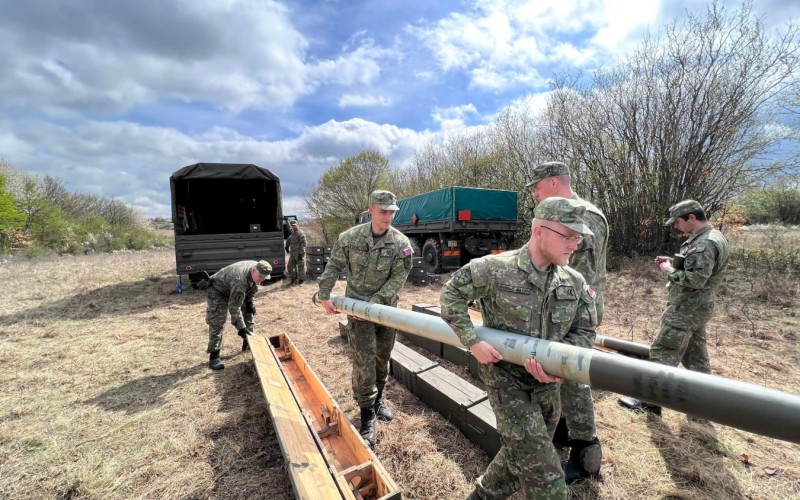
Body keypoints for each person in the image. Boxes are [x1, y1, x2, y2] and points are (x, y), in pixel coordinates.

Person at [441, 197, 597, 500]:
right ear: (539, 231)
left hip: (549, 387)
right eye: (568, 236)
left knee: (519, 456)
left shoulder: (574, 282)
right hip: (507, 383)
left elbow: (585, 328)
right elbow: (451, 296)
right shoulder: (494, 269)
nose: (574, 245)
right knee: (546, 475)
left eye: (578, 238)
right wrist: (472, 341)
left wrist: (560, 364)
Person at [525, 161, 607, 483]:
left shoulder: (583, 215)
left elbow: (575, 270)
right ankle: (562, 431)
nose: (534, 192)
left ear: (555, 183)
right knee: (556, 372)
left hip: (574, 310)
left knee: (573, 377)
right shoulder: (571, 210)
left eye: (537, 186)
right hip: (559, 305)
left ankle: (587, 452)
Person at [317, 190, 413, 447]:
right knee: (363, 363)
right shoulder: (349, 238)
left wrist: (378, 302)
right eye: (384, 211)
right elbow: (334, 265)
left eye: (392, 211)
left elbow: (398, 278)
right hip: (358, 312)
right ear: (371, 209)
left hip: (386, 312)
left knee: (382, 359)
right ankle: (367, 416)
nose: (389, 216)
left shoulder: (401, 243)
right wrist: (324, 293)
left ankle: (378, 400)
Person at [619, 200, 729, 415]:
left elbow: (695, 280)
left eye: (678, 222)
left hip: (685, 309)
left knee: (663, 351)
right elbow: (702, 271)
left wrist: (667, 269)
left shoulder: (705, 243)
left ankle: (650, 402)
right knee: (695, 356)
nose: (675, 227)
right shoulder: (714, 237)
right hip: (698, 307)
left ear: (691, 217)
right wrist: (675, 262)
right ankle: (703, 401)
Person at [199, 260, 272, 370]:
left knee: (248, 311)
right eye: (260, 277)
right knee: (218, 322)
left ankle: (248, 342)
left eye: (264, 278)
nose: (261, 280)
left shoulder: (258, 267)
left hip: (233, 287)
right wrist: (241, 328)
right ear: (253, 270)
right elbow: (234, 307)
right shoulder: (240, 280)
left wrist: (249, 301)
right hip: (218, 291)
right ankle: (214, 356)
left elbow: (253, 286)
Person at [285, 220, 307, 285]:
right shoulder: (293, 232)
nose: (294, 227)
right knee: (290, 267)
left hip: (299, 253)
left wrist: (301, 253)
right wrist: (287, 247)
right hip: (292, 253)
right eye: (293, 226)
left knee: (301, 267)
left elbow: (304, 243)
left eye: (295, 225)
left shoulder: (301, 233)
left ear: (298, 225)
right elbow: (289, 228)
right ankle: (293, 279)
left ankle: (301, 280)